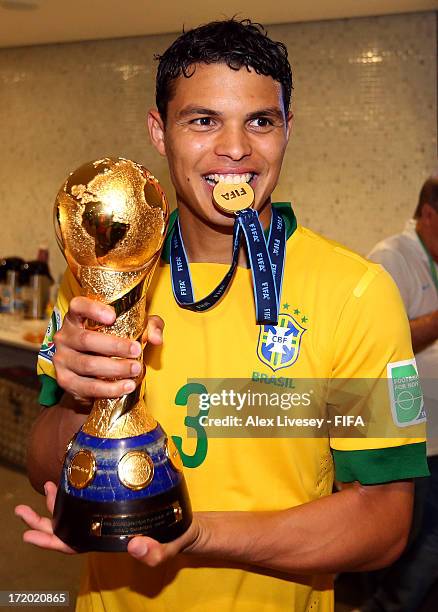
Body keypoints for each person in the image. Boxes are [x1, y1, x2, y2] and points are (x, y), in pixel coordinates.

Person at [15, 19, 429, 612]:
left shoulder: (356, 293)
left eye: (260, 121)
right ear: (160, 132)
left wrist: (197, 533)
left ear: (288, 129)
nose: (234, 149)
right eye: (203, 120)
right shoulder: (100, 277)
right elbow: (40, 463)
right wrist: (85, 399)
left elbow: (385, 521)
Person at [359, 177, 438, 611]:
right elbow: (384, 340)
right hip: (410, 434)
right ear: (428, 213)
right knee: (408, 542)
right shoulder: (392, 257)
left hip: (433, 435)